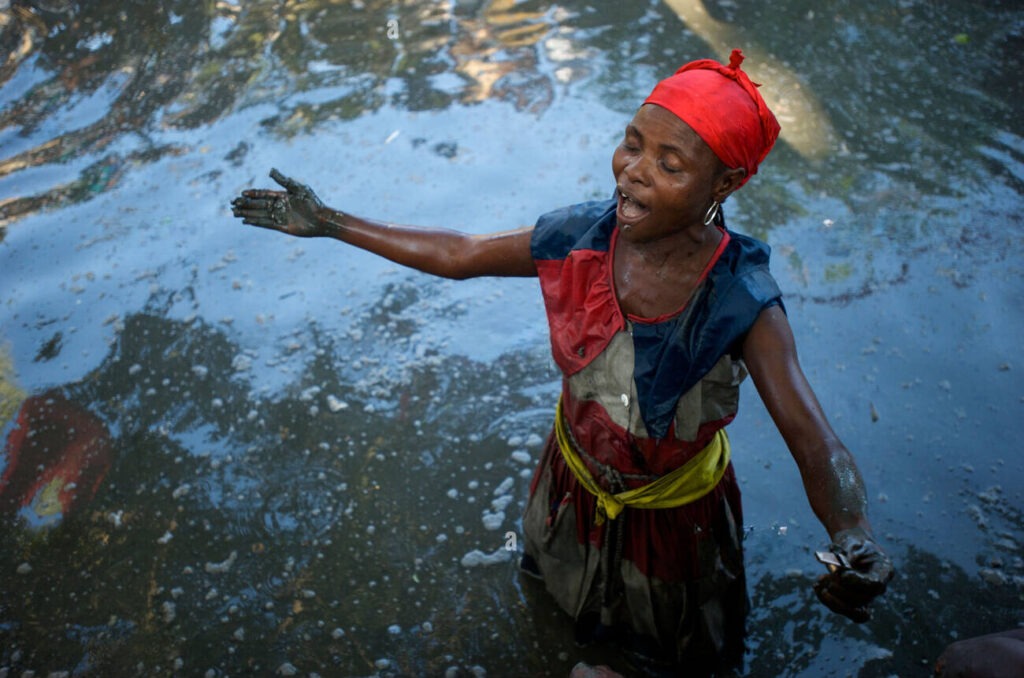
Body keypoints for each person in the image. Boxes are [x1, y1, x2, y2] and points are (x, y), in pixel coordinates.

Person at [231, 49, 894, 675]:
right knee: (554, 606)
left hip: (673, 514)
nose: (634, 170)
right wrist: (331, 223)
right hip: (569, 481)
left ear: (724, 183)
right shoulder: (582, 237)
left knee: (673, 646)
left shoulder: (741, 299)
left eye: (670, 164)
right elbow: (462, 254)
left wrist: (853, 531)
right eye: (633, 143)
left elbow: (816, 444)